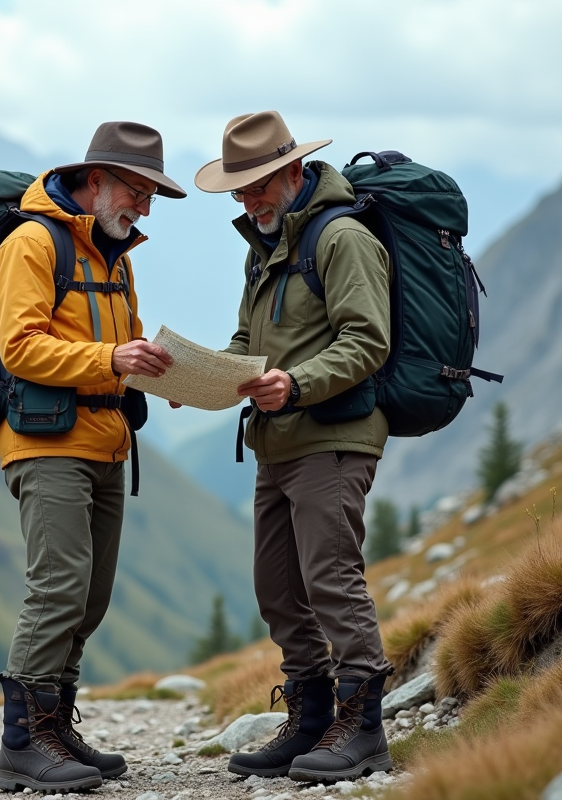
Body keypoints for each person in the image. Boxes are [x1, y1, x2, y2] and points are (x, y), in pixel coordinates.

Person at [193, 110, 395, 782]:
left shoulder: (342, 239)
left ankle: (364, 728)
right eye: (239, 193)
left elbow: (369, 340)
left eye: (255, 188)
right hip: (277, 445)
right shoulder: (266, 247)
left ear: (290, 171)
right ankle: (310, 720)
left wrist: (297, 382)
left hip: (333, 439)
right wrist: (198, 378)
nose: (248, 204)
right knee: (278, 589)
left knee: (331, 581)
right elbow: (249, 347)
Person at [0, 121, 184, 793]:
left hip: (106, 443)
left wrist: (169, 378)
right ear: (96, 180)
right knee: (58, 587)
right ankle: (22, 744)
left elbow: (127, 346)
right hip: (47, 444)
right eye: (138, 190)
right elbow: (20, 347)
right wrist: (111, 359)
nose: (145, 208)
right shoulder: (31, 245)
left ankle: (56, 727)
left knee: (90, 597)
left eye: (153, 195)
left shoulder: (115, 255)